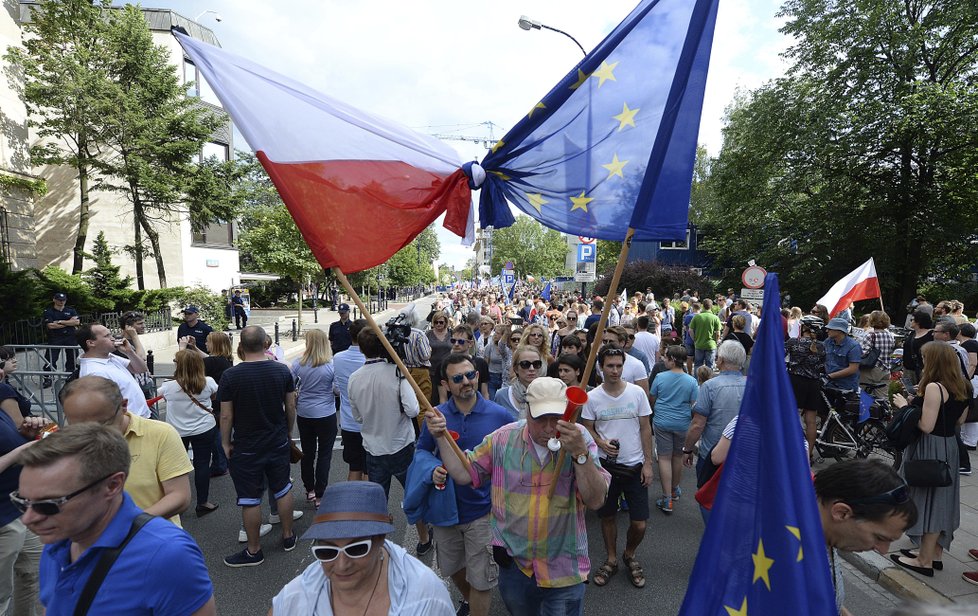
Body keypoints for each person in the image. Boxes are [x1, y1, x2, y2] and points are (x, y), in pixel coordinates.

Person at [426, 377, 611, 616]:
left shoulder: (580, 437)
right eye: (540, 418)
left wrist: (580, 454)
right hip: (516, 567)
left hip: (564, 569)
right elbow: (463, 473)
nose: (548, 427)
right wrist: (441, 437)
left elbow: (596, 500)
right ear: (526, 412)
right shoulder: (503, 438)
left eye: (556, 418)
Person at [16, 423, 216, 615]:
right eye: (22, 501)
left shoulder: (168, 556)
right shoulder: (57, 541)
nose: (28, 518)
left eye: (48, 504)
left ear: (112, 485)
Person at [415, 355, 513, 616]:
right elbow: (422, 452)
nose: (466, 382)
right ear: (446, 384)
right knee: (453, 568)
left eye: (470, 375)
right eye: (457, 378)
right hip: (445, 510)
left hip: (484, 510)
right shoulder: (436, 417)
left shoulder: (500, 415)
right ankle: (471, 603)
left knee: (481, 578)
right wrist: (431, 470)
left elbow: (515, 454)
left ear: (477, 376)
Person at [270, 481, 453, 615]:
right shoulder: (301, 596)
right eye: (327, 552)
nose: (341, 565)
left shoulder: (425, 597)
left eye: (356, 549)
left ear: (380, 539)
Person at [60, 376, 192, 526]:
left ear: (124, 406)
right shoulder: (68, 442)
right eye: (79, 426)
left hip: (151, 540)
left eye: (102, 423)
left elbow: (179, 496)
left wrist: (125, 525)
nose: (92, 434)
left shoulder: (161, 434)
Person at [348, 327, 432, 554]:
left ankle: (377, 546)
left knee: (377, 501)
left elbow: (357, 416)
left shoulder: (354, 379)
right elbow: (414, 410)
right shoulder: (398, 373)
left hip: (373, 448)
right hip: (401, 444)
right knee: (413, 493)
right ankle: (424, 538)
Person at [890, 341, 971, 577]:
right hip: (949, 448)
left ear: (934, 361)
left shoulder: (935, 387)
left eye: (925, 359)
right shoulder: (964, 385)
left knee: (928, 501)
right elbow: (960, 421)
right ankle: (934, 554)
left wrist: (906, 406)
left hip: (929, 447)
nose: (922, 362)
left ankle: (924, 561)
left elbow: (926, 425)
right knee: (942, 500)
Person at [220, 325, 296, 567]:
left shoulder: (231, 376)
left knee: (250, 498)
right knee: (282, 488)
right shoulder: (282, 371)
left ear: (240, 347)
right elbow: (291, 407)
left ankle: (254, 551)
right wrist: (288, 432)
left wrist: (224, 442)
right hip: (277, 440)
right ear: (266, 345)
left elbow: (226, 416)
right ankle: (287, 536)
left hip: (247, 445)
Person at [580, 348, 653, 589]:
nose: (614, 370)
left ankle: (629, 554)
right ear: (601, 367)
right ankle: (611, 559)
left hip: (634, 465)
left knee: (640, 523)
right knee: (608, 516)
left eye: (618, 366)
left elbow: (645, 428)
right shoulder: (593, 398)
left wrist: (648, 464)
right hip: (606, 468)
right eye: (610, 366)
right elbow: (587, 427)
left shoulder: (636, 393)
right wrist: (600, 442)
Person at [813, 459, 917, 616]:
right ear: (841, 512)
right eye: (879, 538)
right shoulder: (784, 558)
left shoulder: (828, 536)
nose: (883, 550)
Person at [681, 340, 747, 520]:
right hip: (746, 455)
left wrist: (687, 449)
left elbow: (698, 424)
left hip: (713, 457)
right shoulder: (754, 386)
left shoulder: (710, 386)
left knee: (709, 498)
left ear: (721, 360)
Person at [159, 350, 219, 517]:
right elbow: (214, 397)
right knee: (202, 465)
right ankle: (202, 502)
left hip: (177, 431)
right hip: (204, 428)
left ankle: (174, 503)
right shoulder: (208, 382)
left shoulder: (168, 387)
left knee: (175, 467)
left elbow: (164, 398)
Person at [0, 411, 47, 614]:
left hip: (18, 509)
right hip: (4, 521)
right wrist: (20, 452)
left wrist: (24, 434)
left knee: (36, 576)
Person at [290, 329, 337, 509]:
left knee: (308, 453)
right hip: (326, 413)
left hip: (305, 413)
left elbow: (290, 386)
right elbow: (337, 390)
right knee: (325, 454)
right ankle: (320, 493)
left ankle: (309, 489)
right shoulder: (330, 365)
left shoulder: (297, 364)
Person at [649, 345, 699, 513]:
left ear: (671, 359)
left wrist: (656, 411)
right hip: (682, 423)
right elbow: (694, 405)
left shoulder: (660, 377)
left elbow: (652, 398)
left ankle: (666, 499)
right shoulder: (691, 381)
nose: (663, 360)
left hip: (662, 421)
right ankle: (674, 489)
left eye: (665, 357)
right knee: (677, 457)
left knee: (663, 458)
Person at [76, 323, 152, 419]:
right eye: (107, 336)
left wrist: (129, 352)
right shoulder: (94, 372)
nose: (113, 338)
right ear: (91, 343)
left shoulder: (108, 356)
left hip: (139, 418)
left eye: (111, 334)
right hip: (128, 425)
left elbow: (140, 369)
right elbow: (103, 407)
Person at [786, 318, 828, 456]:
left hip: (795, 381)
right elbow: (822, 366)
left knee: (792, 416)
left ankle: (792, 450)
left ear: (803, 327)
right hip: (814, 384)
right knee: (811, 421)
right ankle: (808, 453)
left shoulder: (794, 342)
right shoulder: (822, 346)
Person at [333, 319, 368, 481]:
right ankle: (370, 505)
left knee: (354, 467)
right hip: (370, 422)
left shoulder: (338, 358)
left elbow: (336, 388)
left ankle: (353, 503)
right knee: (370, 469)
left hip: (348, 421)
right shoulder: (371, 360)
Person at [203, 331, 234, 477]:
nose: (205, 344)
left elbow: (187, 367)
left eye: (208, 342)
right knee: (223, 433)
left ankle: (219, 464)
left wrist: (183, 348)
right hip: (225, 401)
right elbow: (207, 358)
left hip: (214, 403)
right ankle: (224, 461)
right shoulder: (226, 359)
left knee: (216, 435)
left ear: (214, 344)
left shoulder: (209, 363)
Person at [437, 325, 489, 404]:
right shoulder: (442, 365)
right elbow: (443, 397)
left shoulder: (481, 363)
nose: (456, 344)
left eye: (461, 341)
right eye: (453, 341)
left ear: (470, 343)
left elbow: (484, 392)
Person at [40, 292, 79, 386]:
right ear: (54, 300)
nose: (61, 302)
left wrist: (60, 322)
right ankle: (48, 378)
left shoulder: (70, 310)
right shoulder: (49, 312)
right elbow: (51, 326)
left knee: (72, 357)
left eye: (63, 300)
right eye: (59, 300)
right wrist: (68, 323)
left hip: (70, 337)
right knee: (50, 358)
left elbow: (76, 322)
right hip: (55, 337)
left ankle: (70, 376)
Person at [494, 345, 542, 420]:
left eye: (536, 364)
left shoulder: (547, 394)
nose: (532, 369)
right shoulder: (502, 395)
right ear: (516, 369)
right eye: (525, 364)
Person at [859, 310, 895, 398]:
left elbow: (863, 353)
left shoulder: (870, 335)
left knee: (865, 397)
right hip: (885, 369)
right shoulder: (890, 335)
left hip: (871, 370)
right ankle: (885, 411)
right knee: (882, 397)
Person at [823, 317, 862, 392]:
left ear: (839, 331)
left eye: (830, 329)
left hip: (846, 387)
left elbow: (853, 369)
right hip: (829, 384)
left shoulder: (853, 346)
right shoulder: (828, 342)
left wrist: (829, 376)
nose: (827, 331)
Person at [427, 310, 453, 404]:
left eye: (441, 322)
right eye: (436, 322)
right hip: (433, 372)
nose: (438, 324)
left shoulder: (451, 333)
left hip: (449, 371)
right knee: (435, 398)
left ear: (445, 322)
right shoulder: (428, 334)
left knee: (450, 396)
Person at [0, 347, 31, 425]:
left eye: (13, 357)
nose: (14, 360)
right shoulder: (3, 389)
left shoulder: (6, 384)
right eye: (9, 359)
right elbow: (19, 425)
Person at [903, 310, 935, 384]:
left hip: (923, 369)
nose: (910, 321)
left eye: (912, 320)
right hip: (908, 369)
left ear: (918, 321)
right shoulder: (912, 333)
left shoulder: (931, 335)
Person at [689, 298, 722, 369]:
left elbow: (690, 330)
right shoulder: (715, 318)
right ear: (712, 306)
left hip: (699, 344)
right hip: (711, 344)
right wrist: (716, 341)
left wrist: (695, 339)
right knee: (710, 365)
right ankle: (709, 379)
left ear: (702, 306)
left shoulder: (697, 317)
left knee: (697, 365)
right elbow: (718, 333)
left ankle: (697, 379)